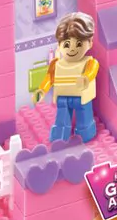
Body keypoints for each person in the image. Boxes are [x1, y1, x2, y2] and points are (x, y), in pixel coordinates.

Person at [35, 12, 100, 143]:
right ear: (59, 45)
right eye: (66, 44)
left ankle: (85, 133)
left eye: (79, 44)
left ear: (90, 43)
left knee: (84, 118)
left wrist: (85, 78)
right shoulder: (56, 64)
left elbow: (91, 72)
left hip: (82, 97)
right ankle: (60, 135)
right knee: (62, 118)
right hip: (63, 96)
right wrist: (42, 90)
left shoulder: (89, 62)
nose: (72, 49)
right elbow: (49, 78)